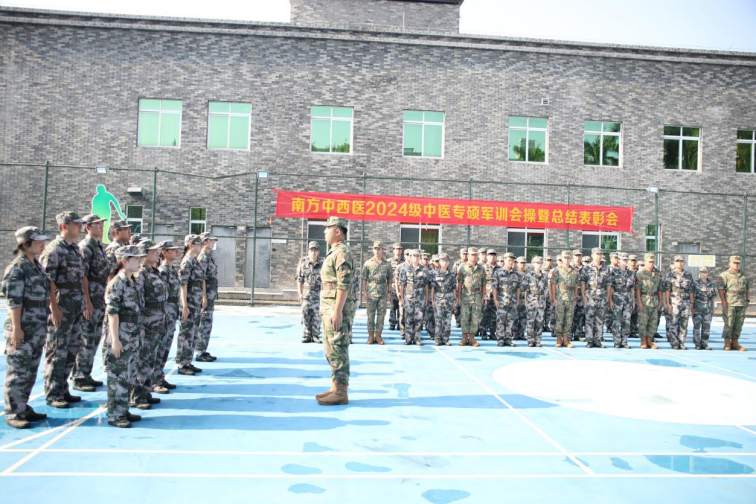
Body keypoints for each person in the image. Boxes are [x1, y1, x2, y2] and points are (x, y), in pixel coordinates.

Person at [3, 226, 51, 429]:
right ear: (25, 243)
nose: (42, 244)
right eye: (37, 242)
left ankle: (22, 406)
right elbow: (14, 302)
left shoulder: (36, 266)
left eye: (42, 241)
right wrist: (16, 328)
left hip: (36, 327)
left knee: (30, 370)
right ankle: (13, 412)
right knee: (18, 371)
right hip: (22, 327)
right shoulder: (17, 268)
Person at [41, 211, 86, 409]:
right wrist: (53, 308)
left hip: (75, 306)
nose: (80, 227)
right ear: (64, 226)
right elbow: (48, 280)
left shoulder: (75, 249)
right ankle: (53, 393)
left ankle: (62, 388)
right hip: (61, 307)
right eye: (76, 224)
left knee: (72, 349)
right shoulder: (55, 249)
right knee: (57, 350)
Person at [103, 245, 145, 428]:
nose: (139, 262)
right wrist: (115, 340)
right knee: (118, 376)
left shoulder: (132, 281)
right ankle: (115, 414)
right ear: (124, 261)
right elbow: (112, 313)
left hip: (132, 335)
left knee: (129, 375)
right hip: (121, 335)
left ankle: (124, 409)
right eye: (135, 259)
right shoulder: (116, 283)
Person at [315, 216, 355, 406]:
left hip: (336, 308)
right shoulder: (334, 252)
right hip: (329, 306)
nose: (325, 231)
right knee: (330, 348)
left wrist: (337, 310)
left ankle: (341, 391)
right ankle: (335, 386)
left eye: (328, 228)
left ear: (338, 231)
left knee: (338, 347)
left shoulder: (342, 253)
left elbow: (343, 283)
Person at [72, 214, 109, 392]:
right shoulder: (86, 247)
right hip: (91, 299)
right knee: (86, 339)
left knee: (94, 339)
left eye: (102, 224)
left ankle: (86, 374)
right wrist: (86, 301)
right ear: (87, 227)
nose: (101, 227)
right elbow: (83, 276)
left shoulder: (98, 246)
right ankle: (79, 377)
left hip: (99, 299)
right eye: (97, 225)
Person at [131, 239, 166, 409]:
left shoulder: (154, 271)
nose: (157, 254)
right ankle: (137, 396)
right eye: (153, 251)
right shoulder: (141, 274)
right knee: (142, 360)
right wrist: (140, 325)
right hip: (147, 322)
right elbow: (138, 301)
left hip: (157, 320)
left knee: (150, 358)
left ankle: (146, 391)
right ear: (144, 254)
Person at [176, 235, 205, 375]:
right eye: (199, 244)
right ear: (191, 245)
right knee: (186, 333)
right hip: (189, 303)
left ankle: (187, 361)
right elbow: (183, 284)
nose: (201, 246)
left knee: (193, 333)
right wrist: (185, 306)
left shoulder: (194, 260)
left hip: (195, 302)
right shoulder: (187, 261)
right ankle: (182, 364)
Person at [155, 240, 182, 391]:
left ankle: (160, 376)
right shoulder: (162, 271)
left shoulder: (172, 270)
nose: (176, 252)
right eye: (173, 250)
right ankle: (155, 381)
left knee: (166, 347)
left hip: (172, 313)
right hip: (165, 313)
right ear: (164, 253)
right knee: (160, 348)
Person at [361, 241, 392, 345]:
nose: (377, 251)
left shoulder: (387, 264)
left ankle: (378, 336)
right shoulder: (368, 263)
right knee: (370, 315)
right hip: (371, 292)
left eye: (379, 248)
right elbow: (364, 278)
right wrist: (364, 292)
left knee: (381, 316)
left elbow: (390, 279)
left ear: (382, 250)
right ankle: (370, 336)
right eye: (375, 248)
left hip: (383, 292)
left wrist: (389, 292)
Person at [663, 255, 695, 350]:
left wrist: (692, 303)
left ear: (684, 263)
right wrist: (668, 304)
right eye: (677, 261)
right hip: (674, 302)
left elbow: (691, 290)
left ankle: (681, 342)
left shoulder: (688, 275)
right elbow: (667, 290)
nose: (679, 263)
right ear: (674, 263)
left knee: (684, 323)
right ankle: (674, 343)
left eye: (681, 261)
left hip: (686, 302)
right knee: (673, 322)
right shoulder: (670, 275)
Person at [196, 232, 219, 362]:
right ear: (204, 241)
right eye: (211, 240)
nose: (213, 242)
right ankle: (199, 351)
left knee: (207, 322)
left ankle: (203, 350)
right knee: (204, 322)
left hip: (210, 294)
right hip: (206, 294)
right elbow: (202, 278)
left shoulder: (208, 256)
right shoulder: (203, 257)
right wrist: (204, 296)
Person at [398, 249, 429, 346]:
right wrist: (402, 299)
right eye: (414, 256)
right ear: (410, 257)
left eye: (417, 256)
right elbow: (402, 284)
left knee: (419, 319)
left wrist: (426, 298)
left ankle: (417, 338)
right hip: (408, 297)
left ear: (420, 257)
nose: (416, 258)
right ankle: (408, 339)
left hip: (420, 298)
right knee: (408, 318)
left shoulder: (424, 270)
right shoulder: (405, 269)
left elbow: (426, 285)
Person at [718, 255, 749, 351]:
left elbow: (747, 288)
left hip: (741, 303)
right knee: (729, 323)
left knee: (739, 324)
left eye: (738, 263)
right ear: (730, 263)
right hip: (730, 303)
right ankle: (727, 343)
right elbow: (720, 289)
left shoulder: (744, 276)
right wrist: (723, 301)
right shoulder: (724, 275)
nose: (736, 265)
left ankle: (735, 343)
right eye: (734, 263)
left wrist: (747, 300)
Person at [581, 247, 611, 348]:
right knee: (589, 319)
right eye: (597, 254)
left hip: (602, 296)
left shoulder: (606, 268)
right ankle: (589, 340)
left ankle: (598, 340)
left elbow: (609, 284)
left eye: (600, 254)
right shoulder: (586, 268)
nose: (599, 256)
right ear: (592, 255)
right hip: (590, 295)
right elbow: (583, 283)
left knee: (600, 319)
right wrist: (584, 296)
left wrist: (608, 297)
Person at [549, 250, 578, 349]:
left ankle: (566, 340)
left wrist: (575, 297)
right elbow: (552, 284)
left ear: (571, 259)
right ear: (561, 258)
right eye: (565, 258)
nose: (567, 259)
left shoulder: (575, 271)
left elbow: (576, 285)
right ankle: (559, 339)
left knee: (569, 320)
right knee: (559, 319)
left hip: (570, 298)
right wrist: (553, 298)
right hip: (560, 297)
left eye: (568, 258)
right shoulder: (556, 270)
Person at [457, 246, 485, 347]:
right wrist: (459, 297)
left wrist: (482, 297)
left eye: (475, 255)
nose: (474, 257)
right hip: (465, 296)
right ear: (468, 255)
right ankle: (465, 338)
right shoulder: (462, 268)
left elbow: (483, 284)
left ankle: (472, 338)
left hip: (477, 297)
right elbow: (459, 284)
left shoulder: (481, 269)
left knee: (475, 318)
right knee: (464, 318)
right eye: (472, 255)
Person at [297, 241, 324, 344]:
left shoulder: (323, 263)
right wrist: (300, 293)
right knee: (305, 315)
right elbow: (299, 279)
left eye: (315, 250)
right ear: (308, 251)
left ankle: (315, 335)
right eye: (311, 250)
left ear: (318, 252)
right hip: (306, 295)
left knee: (317, 316)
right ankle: (306, 335)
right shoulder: (303, 263)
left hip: (318, 294)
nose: (313, 252)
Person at [492, 252, 521, 347]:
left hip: (512, 301)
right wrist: (495, 299)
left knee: (510, 321)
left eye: (512, 260)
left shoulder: (516, 274)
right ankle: (500, 339)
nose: (511, 262)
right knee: (501, 320)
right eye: (509, 260)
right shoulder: (498, 272)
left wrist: (517, 300)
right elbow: (494, 287)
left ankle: (508, 338)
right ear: (504, 260)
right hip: (501, 300)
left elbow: (518, 288)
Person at [636, 253, 663, 350]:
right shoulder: (640, 274)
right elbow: (638, 289)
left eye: (652, 262)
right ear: (645, 262)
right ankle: (643, 341)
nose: (651, 264)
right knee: (643, 322)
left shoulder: (657, 273)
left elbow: (660, 288)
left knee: (653, 322)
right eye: (649, 262)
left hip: (654, 300)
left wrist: (661, 301)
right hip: (644, 299)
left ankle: (649, 341)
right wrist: (639, 302)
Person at [607, 253, 634, 349]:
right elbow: (610, 286)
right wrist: (610, 300)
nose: (625, 261)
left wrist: (633, 301)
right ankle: (617, 341)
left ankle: (624, 341)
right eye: (623, 260)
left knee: (626, 321)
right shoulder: (614, 272)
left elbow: (632, 288)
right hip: (617, 297)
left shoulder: (631, 273)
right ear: (619, 260)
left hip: (628, 298)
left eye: (626, 260)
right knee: (616, 321)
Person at [430, 253, 456, 346]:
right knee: (438, 320)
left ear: (448, 262)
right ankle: (437, 339)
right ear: (439, 262)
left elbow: (454, 288)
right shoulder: (435, 273)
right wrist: (432, 300)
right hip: (438, 299)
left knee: (447, 321)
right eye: (442, 260)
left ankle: (445, 339)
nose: (444, 262)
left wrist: (454, 300)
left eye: (446, 260)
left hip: (449, 299)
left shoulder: (452, 274)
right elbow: (432, 288)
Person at [523, 256, 548, 348]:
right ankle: (530, 340)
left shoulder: (544, 276)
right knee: (530, 322)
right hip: (531, 301)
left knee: (540, 322)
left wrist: (545, 301)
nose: (539, 265)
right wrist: (526, 302)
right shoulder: (528, 275)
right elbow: (525, 290)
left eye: (540, 263)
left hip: (541, 301)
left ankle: (538, 340)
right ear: (533, 264)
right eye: (537, 263)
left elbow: (545, 290)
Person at [692, 266, 716, 350]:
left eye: (705, 272)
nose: (703, 274)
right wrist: (692, 308)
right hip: (698, 308)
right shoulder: (695, 283)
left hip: (708, 309)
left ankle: (705, 344)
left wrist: (713, 308)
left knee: (706, 327)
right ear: (699, 273)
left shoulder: (711, 284)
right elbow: (693, 297)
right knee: (697, 327)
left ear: (708, 273)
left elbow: (713, 297)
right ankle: (697, 344)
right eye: (701, 272)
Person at [481, 250, 499, 340]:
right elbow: (480, 282)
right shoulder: (482, 268)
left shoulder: (499, 268)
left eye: (494, 255)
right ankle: (483, 332)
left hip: (496, 295)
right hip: (486, 294)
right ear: (487, 256)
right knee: (485, 314)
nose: (492, 257)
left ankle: (492, 332)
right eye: (490, 255)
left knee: (494, 314)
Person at [388, 243, 404, 331]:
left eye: (400, 249)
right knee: (393, 306)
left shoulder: (405, 261)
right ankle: (392, 323)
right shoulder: (389, 262)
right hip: (393, 287)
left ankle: (400, 323)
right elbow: (387, 276)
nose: (398, 251)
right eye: (397, 249)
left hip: (402, 288)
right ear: (393, 250)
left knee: (401, 306)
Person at [570, 250, 586, 342]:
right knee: (570, 315)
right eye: (576, 255)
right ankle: (569, 334)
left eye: (579, 255)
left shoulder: (586, 269)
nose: (578, 257)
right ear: (573, 257)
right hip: (571, 294)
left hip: (582, 294)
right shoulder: (569, 267)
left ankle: (578, 334)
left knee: (580, 315)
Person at [451, 247, 468, 328]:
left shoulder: (470, 263)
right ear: (460, 254)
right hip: (458, 287)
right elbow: (453, 275)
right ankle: (458, 321)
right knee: (458, 305)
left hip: (467, 288)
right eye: (463, 254)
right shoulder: (457, 264)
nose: (465, 255)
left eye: (466, 254)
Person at [420, 252, 435, 339]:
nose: (425, 261)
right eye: (424, 259)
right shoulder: (418, 269)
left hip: (428, 294)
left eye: (427, 259)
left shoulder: (431, 270)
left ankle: (431, 332)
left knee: (429, 314)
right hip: (419, 294)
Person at [514, 256, 528, 340]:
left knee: (524, 318)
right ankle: (515, 334)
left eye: (524, 263)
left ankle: (521, 334)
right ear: (517, 263)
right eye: (521, 263)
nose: (522, 264)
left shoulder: (528, 274)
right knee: (515, 317)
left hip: (525, 298)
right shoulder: (514, 274)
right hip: (515, 298)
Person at [627, 254, 640, 338]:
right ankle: (628, 330)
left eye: (634, 260)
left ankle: (633, 329)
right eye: (631, 260)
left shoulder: (639, 272)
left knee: (636, 314)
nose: (633, 262)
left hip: (637, 295)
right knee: (628, 314)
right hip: (628, 294)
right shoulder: (627, 271)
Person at [542, 255, 555, 333]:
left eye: (550, 260)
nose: (549, 262)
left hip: (550, 293)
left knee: (549, 310)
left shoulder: (554, 270)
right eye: (547, 260)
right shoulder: (542, 271)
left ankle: (546, 325)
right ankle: (541, 325)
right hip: (543, 293)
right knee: (542, 309)